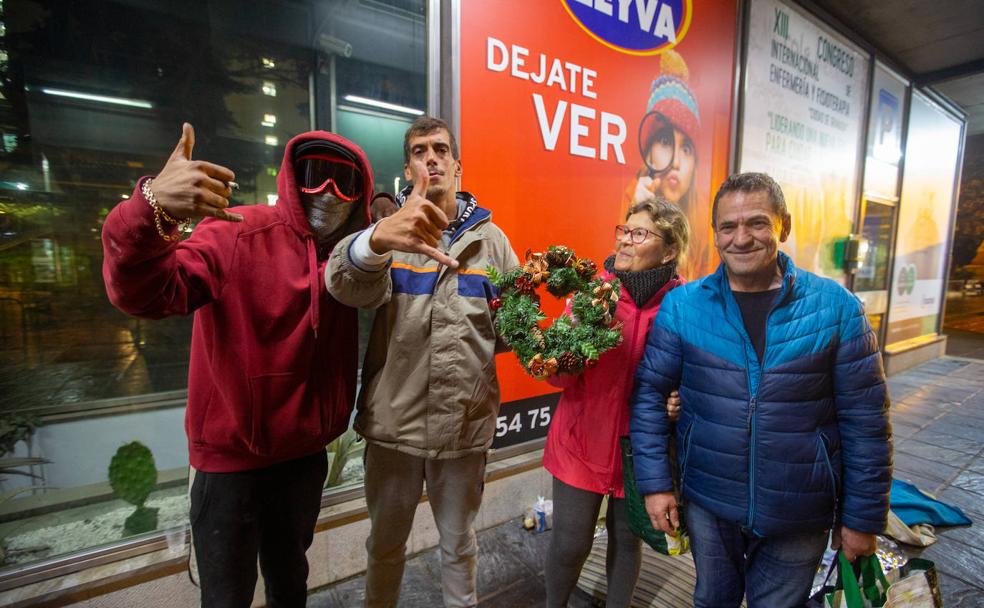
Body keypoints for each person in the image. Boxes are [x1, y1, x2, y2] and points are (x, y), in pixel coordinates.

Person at [102, 124, 375, 607]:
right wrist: (150, 208)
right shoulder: (238, 230)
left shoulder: (351, 261)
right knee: (226, 597)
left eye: (345, 182)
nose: (329, 194)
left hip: (303, 459)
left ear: (361, 195)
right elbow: (145, 292)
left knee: (290, 585)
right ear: (291, 178)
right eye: (315, 175)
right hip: (231, 465)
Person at [630, 172, 892, 608]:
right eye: (728, 227)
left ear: (783, 226)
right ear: (715, 234)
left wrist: (861, 519)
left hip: (799, 510)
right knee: (712, 600)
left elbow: (866, 424)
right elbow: (650, 396)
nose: (741, 238)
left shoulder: (837, 309)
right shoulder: (684, 306)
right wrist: (656, 485)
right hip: (709, 502)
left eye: (757, 223)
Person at [326, 116, 519, 608]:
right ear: (409, 167)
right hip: (395, 428)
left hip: (462, 430)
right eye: (418, 151)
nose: (430, 158)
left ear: (457, 164)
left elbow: (512, 331)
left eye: (440, 149)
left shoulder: (492, 244)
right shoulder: (386, 236)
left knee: (459, 546)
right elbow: (342, 284)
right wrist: (375, 241)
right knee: (386, 547)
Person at [543, 198, 689, 608]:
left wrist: (682, 400)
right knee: (571, 543)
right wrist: (571, 340)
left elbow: (698, 377)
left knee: (628, 542)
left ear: (670, 248)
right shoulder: (592, 296)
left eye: (639, 234)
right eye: (623, 231)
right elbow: (556, 376)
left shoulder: (683, 307)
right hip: (580, 444)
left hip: (643, 451)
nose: (625, 241)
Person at [622, 50, 707, 279]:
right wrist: (637, 222)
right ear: (649, 154)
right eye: (665, 141)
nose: (676, 162)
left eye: (686, 148)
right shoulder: (628, 205)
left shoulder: (706, 226)